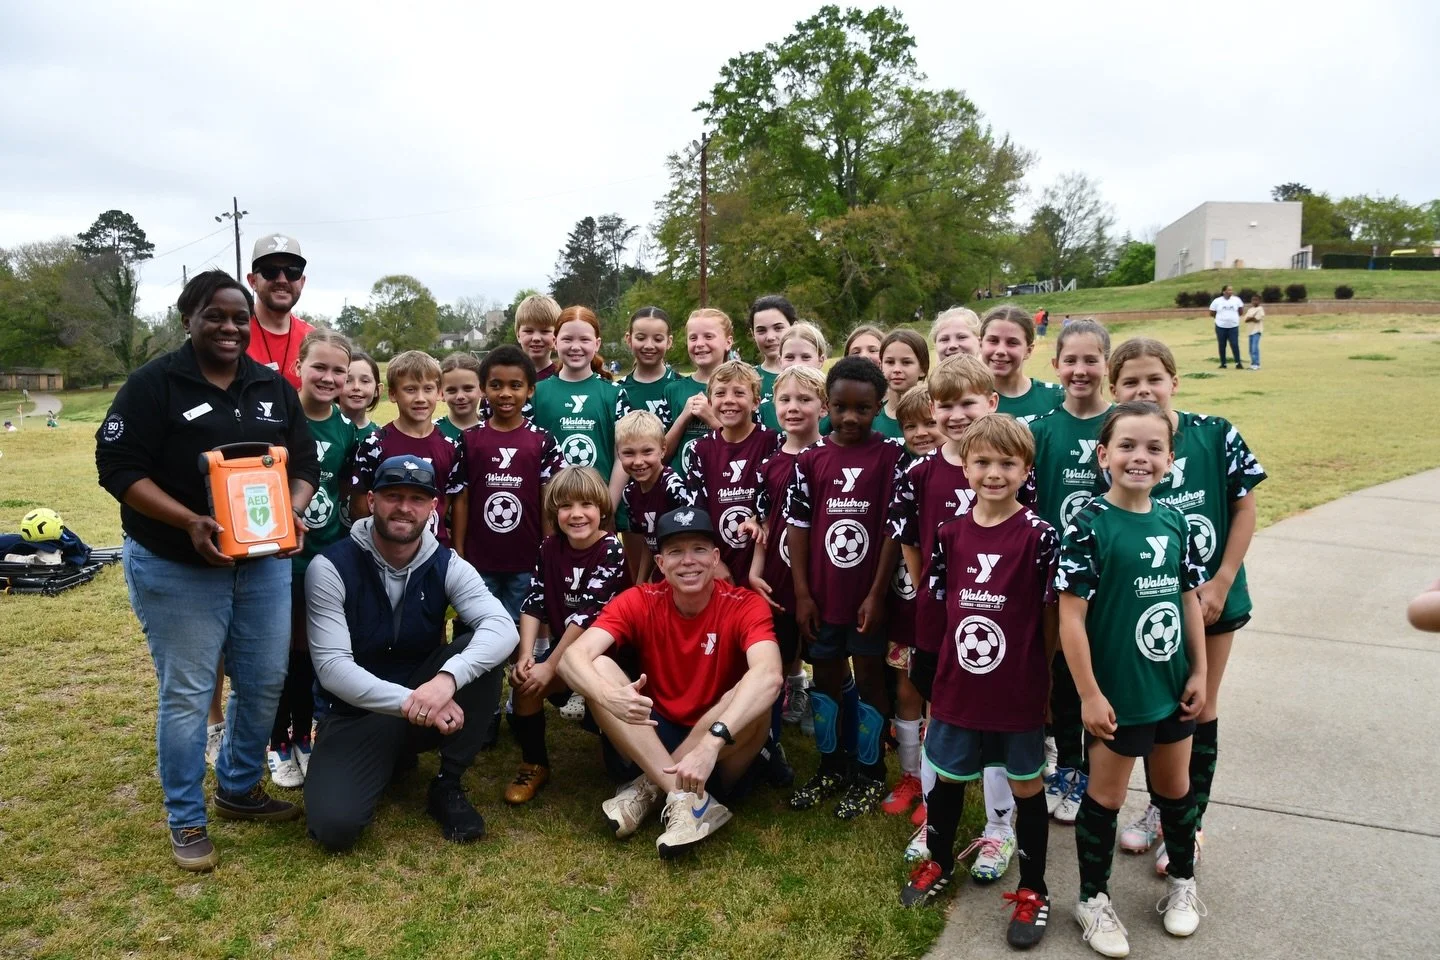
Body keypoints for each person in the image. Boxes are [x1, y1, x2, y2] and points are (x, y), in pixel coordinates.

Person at [96, 270, 320, 871]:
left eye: (238, 318)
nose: (229, 327)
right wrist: (187, 522)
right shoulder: (153, 385)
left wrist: (293, 514)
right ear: (187, 318)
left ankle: (240, 788)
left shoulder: (271, 386)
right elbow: (117, 467)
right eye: (214, 315)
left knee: (265, 680)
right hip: (177, 564)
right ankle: (185, 819)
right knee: (191, 694)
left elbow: (303, 461)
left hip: (263, 564)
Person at [1106, 337, 1265, 876]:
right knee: (1150, 709)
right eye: (1130, 382)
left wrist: (1219, 581)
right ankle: (1160, 809)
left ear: (1175, 381)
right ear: (1115, 390)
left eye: (1154, 378)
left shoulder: (1215, 434)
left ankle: (1187, 823)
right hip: (1144, 605)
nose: (1144, 389)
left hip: (1211, 600)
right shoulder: (1124, 441)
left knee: (1197, 706)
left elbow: (1245, 509)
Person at [1056, 401, 1209, 956]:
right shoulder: (1088, 525)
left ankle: (1184, 885)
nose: (1139, 457)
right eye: (1127, 446)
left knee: (1175, 791)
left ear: (1169, 460)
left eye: (1153, 448)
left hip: (1169, 687)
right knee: (1107, 797)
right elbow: (1070, 617)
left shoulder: (1174, 522)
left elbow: (1189, 598)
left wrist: (1200, 669)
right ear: (1104, 455)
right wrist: (1090, 694)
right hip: (1116, 694)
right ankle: (1092, 900)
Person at [302, 456, 517, 849]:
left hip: (424, 696)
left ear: (433, 507)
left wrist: (447, 680)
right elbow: (332, 669)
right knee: (334, 828)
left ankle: (447, 784)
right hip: (356, 713)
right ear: (371, 500)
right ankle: (389, 758)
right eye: (393, 496)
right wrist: (413, 701)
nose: (405, 507)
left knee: (480, 650)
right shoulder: (330, 567)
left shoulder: (446, 562)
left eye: (417, 498)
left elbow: (503, 628)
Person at [902, 414, 1058, 951]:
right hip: (957, 686)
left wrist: (1048, 684)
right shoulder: (949, 534)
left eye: (1006, 463)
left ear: (1025, 469)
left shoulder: (1039, 535)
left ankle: (1035, 889)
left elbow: (1050, 617)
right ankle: (940, 861)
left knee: (1026, 786)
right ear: (964, 466)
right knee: (947, 778)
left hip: (1016, 689)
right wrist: (927, 663)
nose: (993, 473)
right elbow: (937, 603)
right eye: (982, 462)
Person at [557, 507, 784, 858]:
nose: (688, 561)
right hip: (653, 734)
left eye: (698, 549)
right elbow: (573, 658)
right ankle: (685, 798)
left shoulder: (745, 605)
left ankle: (649, 789)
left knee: (752, 689)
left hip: (720, 748)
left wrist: (710, 746)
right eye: (676, 552)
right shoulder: (640, 599)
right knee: (598, 667)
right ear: (660, 564)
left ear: (715, 558)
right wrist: (609, 697)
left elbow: (770, 676)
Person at [888, 355, 1020, 872]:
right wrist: (929, 596)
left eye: (969, 402)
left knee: (994, 722)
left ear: (991, 403)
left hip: (996, 623)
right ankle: (936, 820)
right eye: (946, 405)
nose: (957, 414)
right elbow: (911, 544)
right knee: (939, 717)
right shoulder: (918, 472)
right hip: (939, 623)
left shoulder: (1008, 471)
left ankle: (998, 827)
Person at [787, 357, 905, 817]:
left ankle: (870, 773)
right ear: (825, 406)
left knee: (872, 680)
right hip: (822, 596)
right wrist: (802, 592)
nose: (850, 418)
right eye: (839, 407)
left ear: (880, 406)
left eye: (862, 408)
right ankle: (831, 765)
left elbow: (893, 532)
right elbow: (797, 527)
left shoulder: (891, 457)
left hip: (867, 599)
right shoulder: (811, 461)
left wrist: (877, 593)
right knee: (827, 679)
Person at [1027, 320, 1113, 825]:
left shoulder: (1123, 423)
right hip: (1058, 578)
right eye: (1071, 360)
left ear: (1106, 363)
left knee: (1104, 670)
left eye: (1091, 360)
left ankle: (1102, 769)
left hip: (1114, 576)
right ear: (1056, 365)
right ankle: (1069, 764)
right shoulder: (1041, 429)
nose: (1080, 370)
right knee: (1062, 672)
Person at [267, 330, 360, 790]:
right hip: (278, 555)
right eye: (319, 367)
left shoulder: (345, 430)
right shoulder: (278, 419)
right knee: (275, 652)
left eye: (337, 370)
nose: (328, 377)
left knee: (307, 649)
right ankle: (275, 741)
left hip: (321, 556)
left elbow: (343, 494)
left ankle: (303, 733)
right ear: (298, 367)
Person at [507, 467, 632, 803]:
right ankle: (534, 764)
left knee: (620, 764)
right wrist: (527, 657)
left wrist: (553, 666)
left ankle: (616, 743)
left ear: (602, 509)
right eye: (566, 506)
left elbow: (587, 614)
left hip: (613, 660)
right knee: (526, 684)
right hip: (568, 652)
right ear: (554, 512)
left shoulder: (611, 550)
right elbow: (533, 601)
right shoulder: (549, 548)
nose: (576, 514)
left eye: (586, 505)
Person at [744, 365, 826, 731]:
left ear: (824, 407)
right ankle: (791, 696)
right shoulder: (770, 464)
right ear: (772, 405)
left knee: (821, 644)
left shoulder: (831, 457)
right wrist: (755, 571)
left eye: (805, 399)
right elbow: (763, 523)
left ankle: (823, 702)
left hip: (821, 573)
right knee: (782, 641)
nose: (794, 407)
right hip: (778, 572)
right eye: (785, 399)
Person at [458, 345, 564, 623]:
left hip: (526, 559)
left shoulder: (542, 441)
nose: (505, 393)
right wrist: (459, 551)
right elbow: (462, 499)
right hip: (479, 560)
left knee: (522, 624)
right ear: (483, 389)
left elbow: (548, 501)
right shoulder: (470, 440)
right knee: (481, 625)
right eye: (496, 385)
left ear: (530, 390)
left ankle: (523, 662)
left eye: (515, 385)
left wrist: (548, 548)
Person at [877, 384, 939, 824]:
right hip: (906, 597)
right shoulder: (901, 471)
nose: (920, 432)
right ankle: (911, 775)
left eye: (929, 423)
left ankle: (937, 782)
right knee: (906, 685)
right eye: (910, 425)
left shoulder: (963, 470)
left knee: (940, 690)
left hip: (948, 598)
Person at [351, 351, 467, 552]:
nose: (420, 398)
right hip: (384, 552)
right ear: (393, 394)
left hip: (434, 550)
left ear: (439, 393)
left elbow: (447, 500)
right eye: (410, 389)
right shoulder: (375, 444)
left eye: (428, 389)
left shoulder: (451, 447)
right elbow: (360, 504)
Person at [684, 360, 780, 587]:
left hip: (765, 563)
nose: (729, 400)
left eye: (739, 393)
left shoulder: (773, 442)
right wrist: (712, 560)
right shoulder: (700, 450)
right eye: (720, 393)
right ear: (710, 402)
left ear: (756, 402)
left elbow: (778, 502)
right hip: (719, 565)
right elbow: (696, 512)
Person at [531, 306, 631, 512]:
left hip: (599, 506)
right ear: (555, 342)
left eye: (584, 340)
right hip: (552, 508)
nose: (575, 346)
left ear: (597, 344)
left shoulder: (614, 393)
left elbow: (623, 455)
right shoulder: (536, 393)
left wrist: (608, 506)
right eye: (568, 339)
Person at [618, 306, 677, 577]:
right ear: (629, 339)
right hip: (632, 499)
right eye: (641, 337)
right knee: (638, 575)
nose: (649, 345)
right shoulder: (618, 391)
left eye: (658, 338)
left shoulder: (680, 386)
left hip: (671, 498)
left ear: (670, 341)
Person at [618, 410, 696, 584]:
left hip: (682, 572)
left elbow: (689, 541)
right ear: (618, 453)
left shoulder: (673, 489)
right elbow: (649, 540)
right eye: (629, 453)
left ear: (663, 450)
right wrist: (641, 582)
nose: (638, 461)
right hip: (660, 568)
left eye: (647, 452)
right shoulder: (629, 493)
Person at [662, 308, 733, 476]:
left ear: (728, 342)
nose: (699, 343)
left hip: (725, 486)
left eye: (708, 336)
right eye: (693, 338)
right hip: (681, 492)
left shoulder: (741, 389)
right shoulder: (673, 389)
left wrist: (711, 419)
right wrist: (683, 418)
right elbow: (660, 455)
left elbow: (749, 447)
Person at [245, 234, 315, 389]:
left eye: (293, 271)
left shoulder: (314, 340)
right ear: (252, 281)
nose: (282, 280)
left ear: (302, 282)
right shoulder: (233, 334)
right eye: (270, 271)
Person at [980, 305, 1065, 423]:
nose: (1000, 351)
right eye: (993, 341)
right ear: (980, 344)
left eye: (1012, 343)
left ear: (1028, 350)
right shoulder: (968, 401)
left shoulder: (1058, 397)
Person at [758, 321, 828, 431]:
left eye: (805, 357)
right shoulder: (765, 409)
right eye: (789, 357)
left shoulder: (833, 408)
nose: (797, 364)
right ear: (780, 361)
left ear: (821, 360)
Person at [878, 330, 929, 440]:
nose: (897, 369)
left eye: (906, 362)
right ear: (880, 365)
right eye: (890, 362)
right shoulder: (872, 417)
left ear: (923, 368)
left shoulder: (934, 416)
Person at [748, 294, 796, 402]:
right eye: (761, 330)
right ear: (753, 334)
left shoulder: (814, 377)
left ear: (794, 327)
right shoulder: (746, 379)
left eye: (778, 328)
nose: (770, 337)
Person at [515, 294, 562, 382]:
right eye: (529, 331)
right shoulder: (508, 379)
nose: (536, 338)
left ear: (557, 335)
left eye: (545, 331)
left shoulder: (563, 379)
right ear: (518, 335)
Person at [436, 352, 484, 440]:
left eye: (468, 388)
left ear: (482, 389)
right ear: (441, 393)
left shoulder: (494, 430)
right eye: (452, 390)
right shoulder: (432, 432)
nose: (460, 396)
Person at [339, 350, 382, 442]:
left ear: (377, 390)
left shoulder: (380, 438)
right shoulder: (320, 428)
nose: (356, 387)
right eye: (347, 380)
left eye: (365, 381)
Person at [1208, 284, 1245, 370]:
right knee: (1222, 345)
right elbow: (1212, 313)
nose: (1230, 292)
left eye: (1231, 290)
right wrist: (1221, 319)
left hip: (1233, 327)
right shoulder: (1217, 301)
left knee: (1234, 344)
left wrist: (1232, 318)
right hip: (1221, 327)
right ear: (1224, 291)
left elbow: (1240, 311)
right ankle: (1223, 363)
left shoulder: (1236, 300)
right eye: (1228, 290)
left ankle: (1238, 363)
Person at [1242, 293, 1265, 370]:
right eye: (1253, 300)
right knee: (1251, 349)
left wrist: (1251, 318)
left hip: (1257, 331)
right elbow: (1245, 319)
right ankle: (1253, 363)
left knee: (1254, 348)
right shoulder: (1250, 310)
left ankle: (1256, 364)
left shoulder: (1260, 309)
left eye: (1256, 300)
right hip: (1250, 331)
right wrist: (1251, 317)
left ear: (1259, 301)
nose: (1254, 301)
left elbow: (1256, 319)